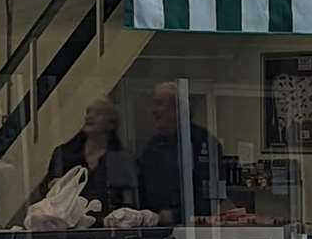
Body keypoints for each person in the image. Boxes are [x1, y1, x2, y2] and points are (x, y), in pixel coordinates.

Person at [137, 82, 228, 224]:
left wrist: (176, 216)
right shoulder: (152, 146)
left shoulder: (205, 143)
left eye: (159, 104)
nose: (153, 110)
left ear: (177, 108)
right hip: (154, 230)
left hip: (192, 231)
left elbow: (213, 194)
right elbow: (141, 188)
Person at [43, 98, 138, 211]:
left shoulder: (123, 160)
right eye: (88, 112)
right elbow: (46, 194)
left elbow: (128, 202)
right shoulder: (63, 154)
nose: (89, 117)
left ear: (112, 124)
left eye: (98, 113)